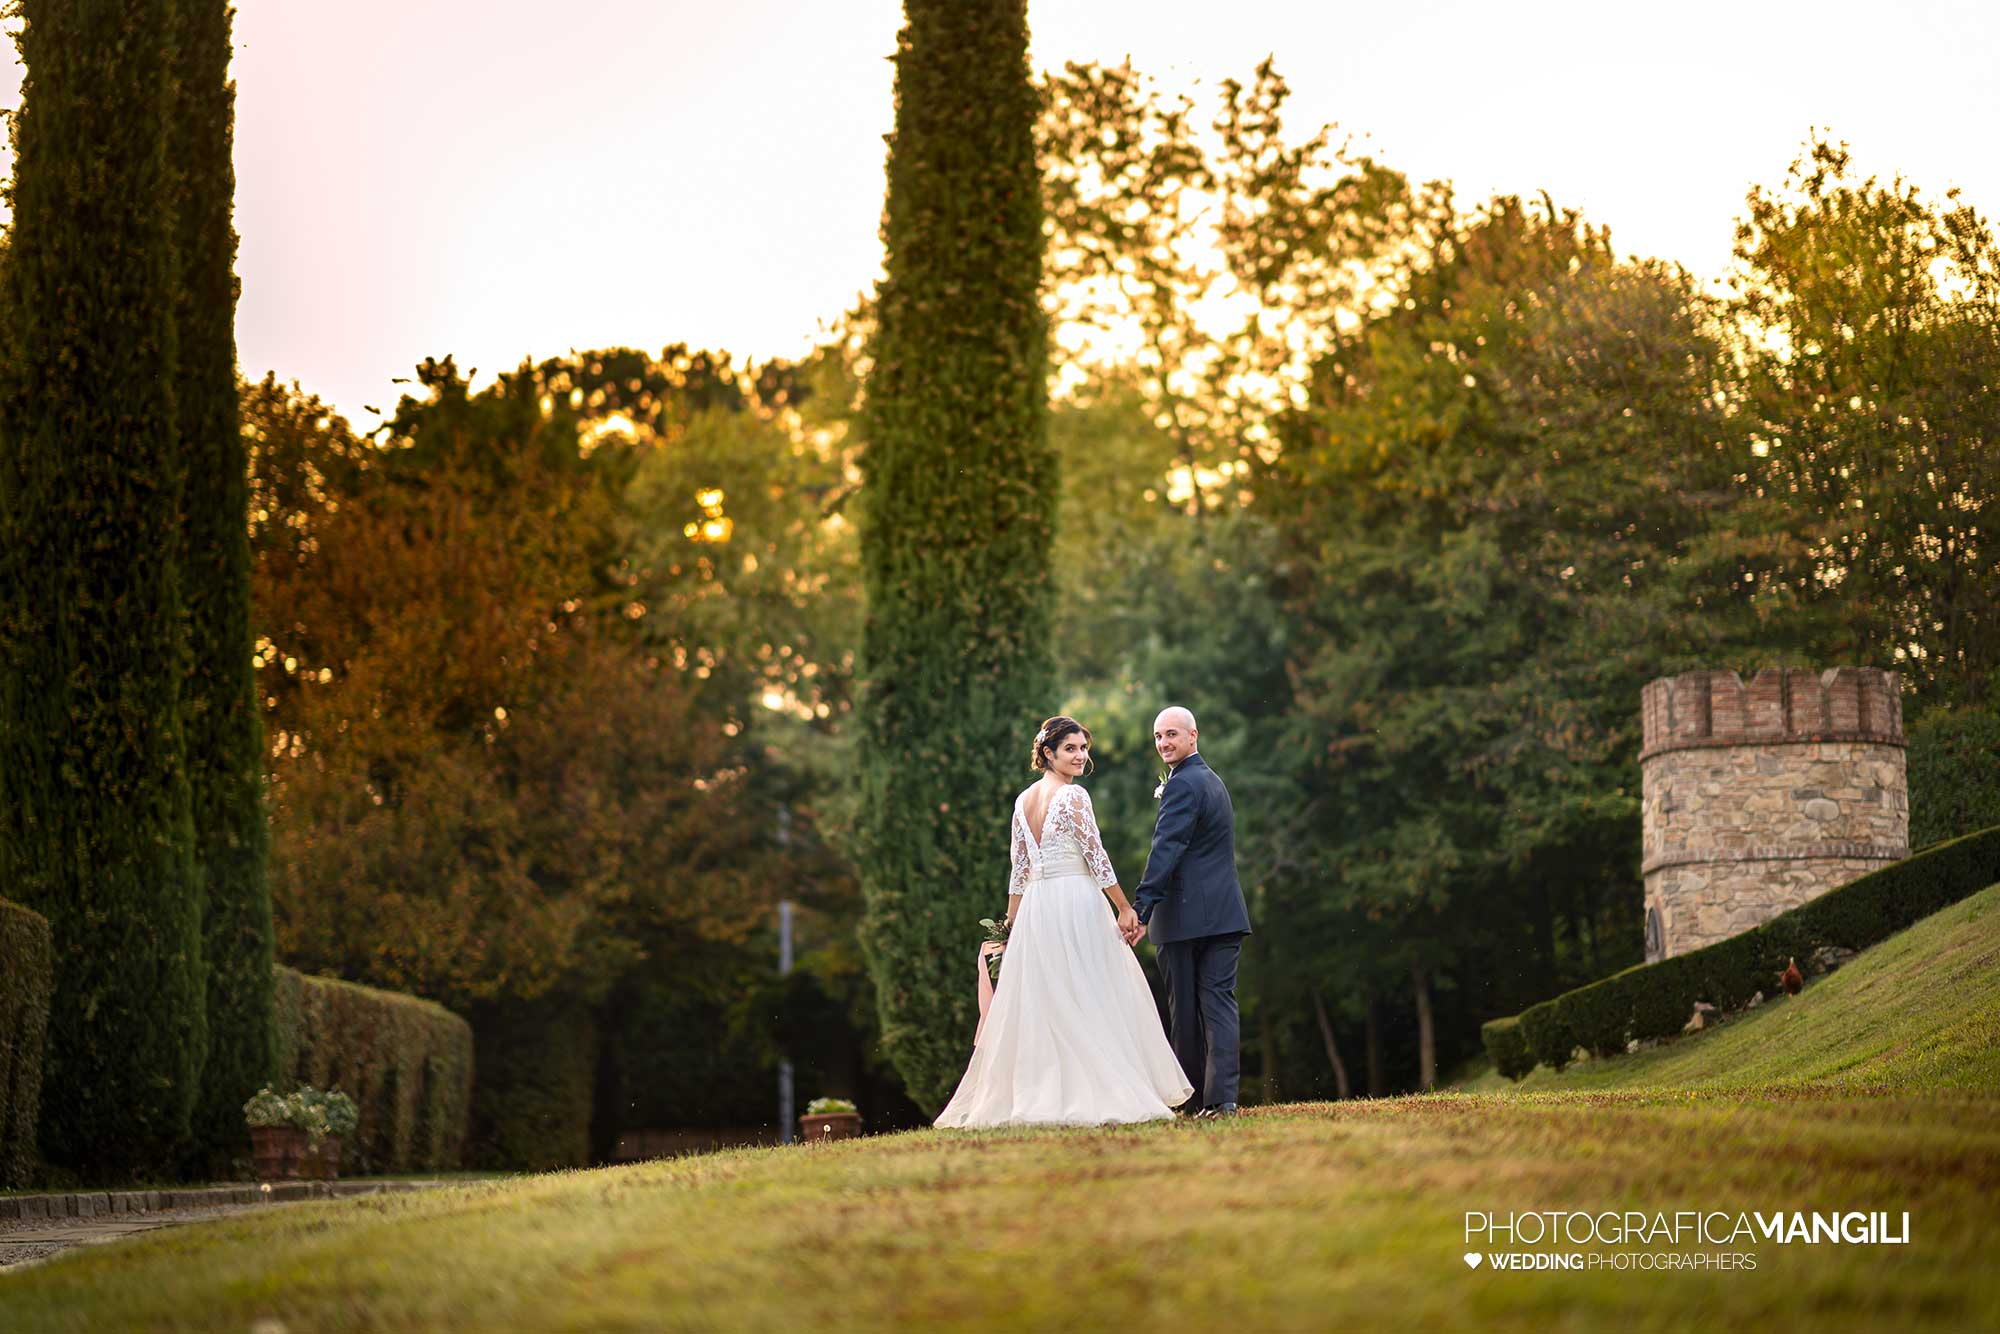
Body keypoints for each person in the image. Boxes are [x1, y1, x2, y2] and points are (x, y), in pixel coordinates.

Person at [934, 715, 1193, 1127]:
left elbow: (1019, 872)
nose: (1079, 756)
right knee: (1092, 991)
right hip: (1074, 901)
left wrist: (1013, 924)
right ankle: (1093, 1093)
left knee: (1053, 999)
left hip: (1038, 907)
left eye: (1083, 748)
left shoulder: (1023, 801)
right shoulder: (1075, 798)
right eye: (1070, 748)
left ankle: (1053, 1094)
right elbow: (1097, 859)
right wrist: (1125, 909)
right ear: (1048, 753)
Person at [1131, 706, 1252, 1117]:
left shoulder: (1183, 785)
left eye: (1171, 735)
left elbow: (1166, 849)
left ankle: (1194, 1099)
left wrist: (1141, 908)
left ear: (1192, 735)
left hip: (1185, 917)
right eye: (1158, 736)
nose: (1164, 743)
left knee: (1185, 1010)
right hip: (1225, 913)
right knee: (1219, 1003)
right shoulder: (1213, 781)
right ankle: (1223, 1100)